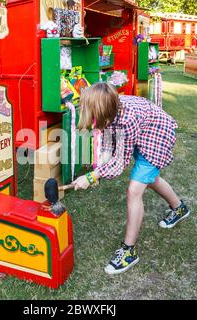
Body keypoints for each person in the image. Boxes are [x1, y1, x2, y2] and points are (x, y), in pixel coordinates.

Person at [73, 82, 190, 275]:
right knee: (150, 179)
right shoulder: (111, 113)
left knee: (134, 191)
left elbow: (119, 162)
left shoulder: (127, 120)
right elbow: (109, 148)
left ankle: (129, 251)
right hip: (143, 131)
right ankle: (179, 208)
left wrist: (93, 176)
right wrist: (97, 168)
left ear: (101, 110)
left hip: (157, 135)